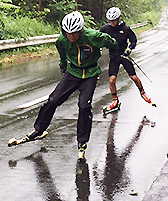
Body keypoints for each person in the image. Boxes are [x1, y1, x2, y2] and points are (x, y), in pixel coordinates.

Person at [25, 11, 117, 159]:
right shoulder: (62, 40)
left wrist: (115, 47)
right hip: (72, 73)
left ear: (81, 30)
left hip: (90, 74)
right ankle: (39, 130)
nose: (71, 37)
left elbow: (111, 41)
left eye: (74, 33)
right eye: (68, 33)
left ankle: (82, 142)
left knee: (84, 106)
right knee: (53, 100)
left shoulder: (93, 37)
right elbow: (62, 54)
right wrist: (62, 64)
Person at [100, 7, 152, 110]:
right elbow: (98, 38)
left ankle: (142, 92)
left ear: (118, 18)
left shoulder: (125, 29)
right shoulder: (105, 29)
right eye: (110, 20)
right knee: (112, 80)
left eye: (114, 20)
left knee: (133, 77)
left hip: (124, 55)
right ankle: (115, 100)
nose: (112, 23)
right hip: (114, 57)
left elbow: (133, 40)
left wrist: (130, 48)